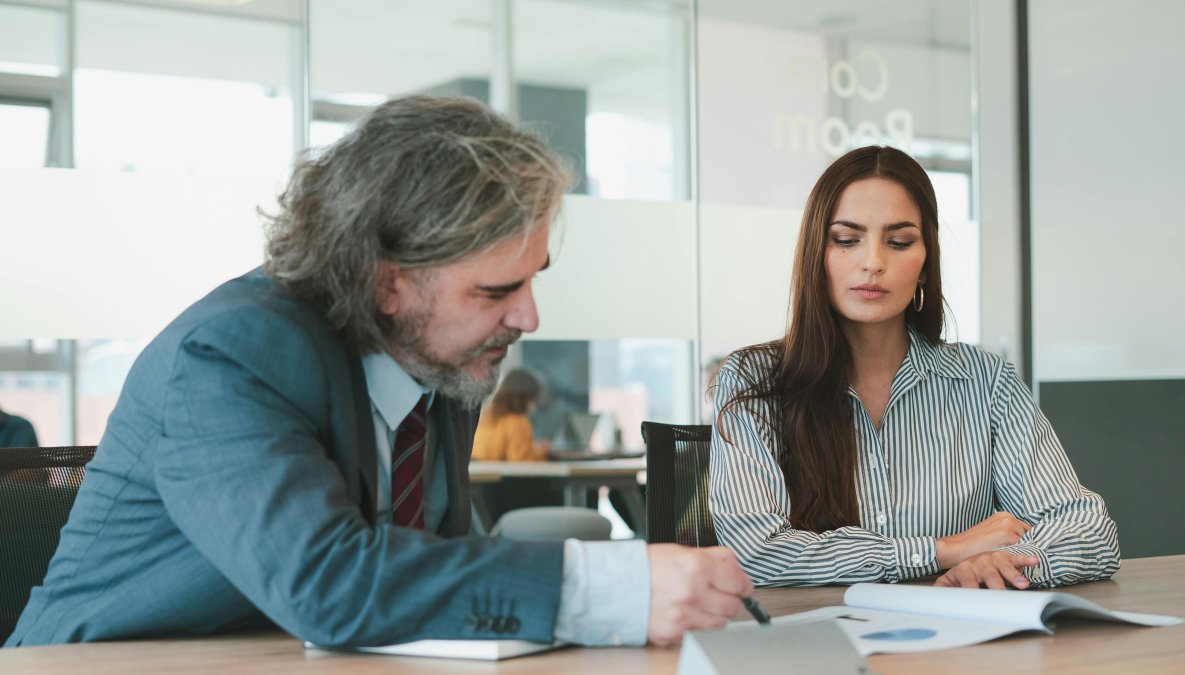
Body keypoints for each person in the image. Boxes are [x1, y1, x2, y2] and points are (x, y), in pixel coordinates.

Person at [6, 95, 751, 648]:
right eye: (495, 290)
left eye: (531, 280)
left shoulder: (444, 359)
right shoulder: (229, 355)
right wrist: (612, 588)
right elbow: (329, 581)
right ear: (387, 283)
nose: (529, 318)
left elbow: (428, 571)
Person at [709, 146, 1120, 591]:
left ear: (925, 264)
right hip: (820, 647)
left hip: (956, 645)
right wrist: (942, 550)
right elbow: (756, 555)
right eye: (847, 240)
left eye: (899, 241)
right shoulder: (754, 381)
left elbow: (1088, 531)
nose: (873, 262)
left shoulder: (984, 380)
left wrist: (1002, 563)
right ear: (816, 255)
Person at [472, 368, 548, 462]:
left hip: (480, 474)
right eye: (532, 398)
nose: (533, 403)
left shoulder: (484, 417)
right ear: (523, 398)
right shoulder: (517, 422)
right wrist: (542, 452)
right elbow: (522, 461)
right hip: (501, 475)